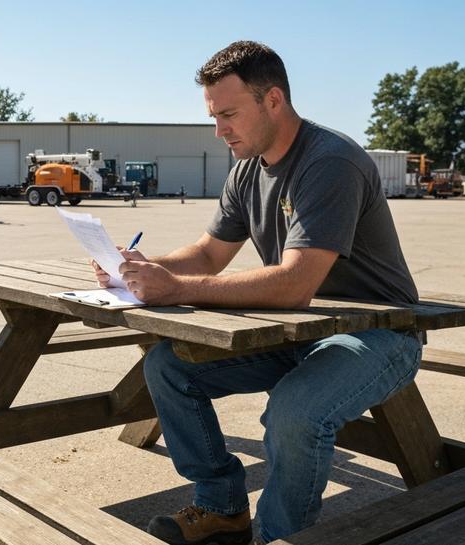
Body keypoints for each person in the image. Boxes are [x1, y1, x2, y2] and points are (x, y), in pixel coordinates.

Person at [92, 41, 422, 544]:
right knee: (168, 366)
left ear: (273, 100)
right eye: (213, 116)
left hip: (379, 334)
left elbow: (294, 284)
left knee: (295, 411)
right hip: (301, 332)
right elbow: (207, 255)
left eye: (228, 114)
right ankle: (222, 507)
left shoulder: (330, 162)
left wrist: (175, 288)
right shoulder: (247, 167)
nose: (220, 130)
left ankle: (277, 535)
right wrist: (138, 266)